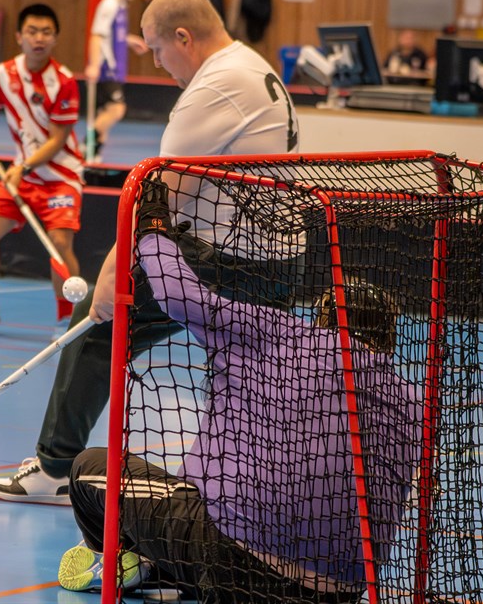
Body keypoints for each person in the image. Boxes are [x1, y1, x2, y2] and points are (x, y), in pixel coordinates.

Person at [0, 0, 300, 504]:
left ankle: (55, 467)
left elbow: (157, 197)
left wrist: (111, 278)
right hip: (277, 261)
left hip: (231, 263)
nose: (156, 62)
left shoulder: (214, 87)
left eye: (157, 49)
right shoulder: (251, 65)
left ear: (184, 37)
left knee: (97, 322)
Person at [57, 179, 421, 602]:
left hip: (234, 565)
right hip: (341, 594)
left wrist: (153, 227)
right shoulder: (412, 403)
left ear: (323, 319)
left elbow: (178, 294)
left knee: (88, 469)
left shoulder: (283, 334)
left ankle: (129, 561)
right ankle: (160, 569)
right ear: (389, 340)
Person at [0, 4, 84, 335]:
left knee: (59, 243)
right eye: (32, 31)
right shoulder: (5, 73)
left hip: (61, 177)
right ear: (20, 36)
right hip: (22, 174)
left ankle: (68, 320)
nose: (39, 38)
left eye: (46, 32)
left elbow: (57, 140)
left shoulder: (64, 82)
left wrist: (23, 166)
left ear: (55, 39)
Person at [85, 0, 148, 162]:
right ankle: (86, 143)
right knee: (116, 109)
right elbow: (97, 35)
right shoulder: (110, 4)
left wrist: (129, 40)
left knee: (105, 112)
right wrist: (94, 65)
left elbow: (112, 34)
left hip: (117, 67)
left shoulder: (120, 5)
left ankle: (94, 154)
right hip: (107, 67)